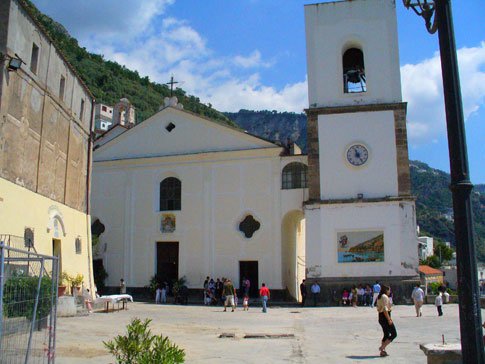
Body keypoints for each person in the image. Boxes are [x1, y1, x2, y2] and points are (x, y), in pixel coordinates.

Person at [376, 285, 397, 357]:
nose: (390, 291)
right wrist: (389, 319)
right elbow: (385, 309)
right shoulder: (384, 296)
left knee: (386, 334)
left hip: (381, 317)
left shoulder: (379, 296)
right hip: (385, 317)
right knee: (394, 334)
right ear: (386, 290)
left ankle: (382, 352)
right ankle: (382, 348)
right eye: (389, 290)